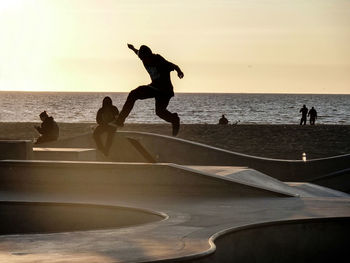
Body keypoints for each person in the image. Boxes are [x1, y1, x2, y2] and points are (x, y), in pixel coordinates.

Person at [115, 44, 184, 136]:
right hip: (154, 88)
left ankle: (174, 119)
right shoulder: (143, 58)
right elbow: (137, 52)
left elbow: (174, 66)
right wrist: (132, 48)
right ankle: (120, 120)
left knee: (160, 112)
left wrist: (179, 72)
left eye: (145, 58)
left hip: (165, 91)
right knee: (133, 94)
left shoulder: (159, 60)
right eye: (142, 59)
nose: (144, 61)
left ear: (149, 55)